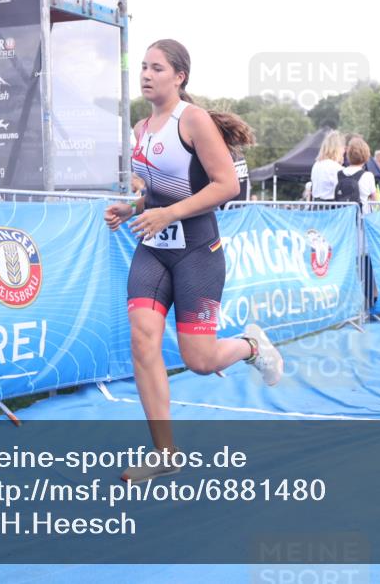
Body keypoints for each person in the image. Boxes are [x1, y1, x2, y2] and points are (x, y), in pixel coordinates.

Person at [103, 39, 283, 483]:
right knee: (143, 339)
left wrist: (167, 212)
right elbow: (158, 190)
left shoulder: (194, 120)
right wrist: (135, 206)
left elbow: (226, 187)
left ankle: (252, 346)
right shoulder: (141, 127)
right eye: (143, 67)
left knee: (200, 360)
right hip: (153, 249)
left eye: (157, 68)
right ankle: (165, 453)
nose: (146, 74)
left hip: (197, 253)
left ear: (179, 76)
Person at [337, 136, 379, 210]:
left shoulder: (339, 173)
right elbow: (374, 199)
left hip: (343, 215)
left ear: (348, 154)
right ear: (366, 155)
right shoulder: (368, 175)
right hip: (361, 213)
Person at [309, 131, 345, 201]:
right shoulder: (336, 168)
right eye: (343, 147)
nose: (344, 150)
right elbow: (341, 190)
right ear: (338, 148)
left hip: (316, 205)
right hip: (331, 207)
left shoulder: (316, 165)